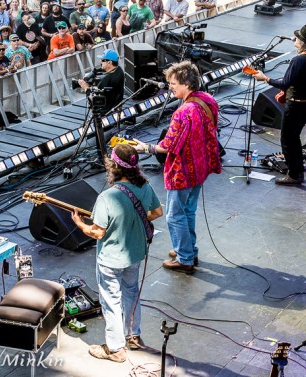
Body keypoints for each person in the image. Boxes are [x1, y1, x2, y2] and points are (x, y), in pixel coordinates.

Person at [71, 144, 162, 363]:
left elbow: (97, 232)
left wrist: (80, 225)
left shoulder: (107, 197)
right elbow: (157, 212)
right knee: (131, 293)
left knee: (111, 301)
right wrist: (134, 221)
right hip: (135, 254)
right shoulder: (146, 187)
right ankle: (133, 336)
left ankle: (115, 349)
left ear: (113, 166)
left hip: (111, 259)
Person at [132, 61, 222, 274]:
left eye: (173, 83)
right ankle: (189, 249)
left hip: (183, 171)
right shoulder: (208, 100)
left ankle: (185, 258)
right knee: (188, 211)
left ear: (186, 84)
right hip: (200, 167)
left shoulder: (183, 112)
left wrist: (145, 148)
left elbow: (169, 146)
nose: (169, 87)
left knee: (175, 215)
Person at [252, 24, 306, 185]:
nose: (294, 41)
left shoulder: (298, 60)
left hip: (295, 106)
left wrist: (265, 78)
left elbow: (286, 83)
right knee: (294, 137)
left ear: (303, 42)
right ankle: (297, 171)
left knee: (286, 140)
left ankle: (294, 175)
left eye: (296, 39)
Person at [76, 48, 123, 113]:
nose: (101, 61)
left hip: (105, 113)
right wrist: (89, 76)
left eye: (102, 60)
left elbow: (95, 100)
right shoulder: (119, 70)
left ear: (109, 62)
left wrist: (86, 88)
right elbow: (100, 70)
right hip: (116, 108)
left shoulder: (107, 80)